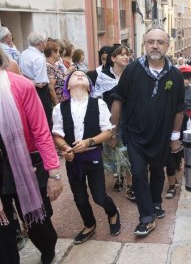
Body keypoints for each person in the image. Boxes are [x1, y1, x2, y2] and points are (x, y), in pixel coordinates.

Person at [110, 27, 184, 236]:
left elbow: (179, 109)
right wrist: (113, 132)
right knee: (139, 173)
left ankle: (156, 202)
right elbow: (118, 100)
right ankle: (146, 217)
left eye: (160, 42)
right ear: (144, 44)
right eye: (151, 41)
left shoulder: (175, 76)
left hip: (161, 136)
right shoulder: (132, 70)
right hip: (135, 135)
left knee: (158, 171)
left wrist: (175, 137)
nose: (155, 45)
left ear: (167, 46)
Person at [0, 48, 63, 264]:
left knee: (38, 222)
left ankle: (48, 248)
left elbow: (41, 131)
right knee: (2, 227)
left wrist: (54, 173)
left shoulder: (21, 86)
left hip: (26, 162)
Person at [52, 70, 120, 244]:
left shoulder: (98, 104)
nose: (79, 75)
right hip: (73, 160)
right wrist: (66, 148)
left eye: (83, 75)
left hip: (93, 156)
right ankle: (89, 224)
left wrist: (89, 142)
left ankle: (112, 212)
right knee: (79, 197)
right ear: (67, 85)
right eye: (75, 75)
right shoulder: (60, 108)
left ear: (90, 86)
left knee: (99, 196)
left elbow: (107, 132)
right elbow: (57, 135)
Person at [93, 44, 132, 198]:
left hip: (130, 119)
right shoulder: (104, 76)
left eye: (127, 54)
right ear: (113, 58)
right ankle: (119, 176)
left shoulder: (131, 74)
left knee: (129, 150)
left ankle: (130, 183)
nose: (125, 57)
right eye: (121, 54)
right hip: (111, 119)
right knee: (115, 149)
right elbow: (97, 99)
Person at [165, 65, 191, 199]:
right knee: (170, 161)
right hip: (168, 128)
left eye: (187, 78)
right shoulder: (170, 91)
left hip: (185, 126)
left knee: (184, 155)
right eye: (183, 78)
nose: (185, 81)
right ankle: (172, 185)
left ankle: (187, 177)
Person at [19, 31, 53, 128]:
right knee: (44, 119)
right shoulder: (39, 58)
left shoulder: (23, 53)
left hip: (25, 89)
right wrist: (31, 81)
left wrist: (26, 80)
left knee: (31, 118)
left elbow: (21, 73)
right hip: (39, 91)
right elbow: (40, 83)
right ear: (41, 43)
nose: (45, 45)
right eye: (45, 42)